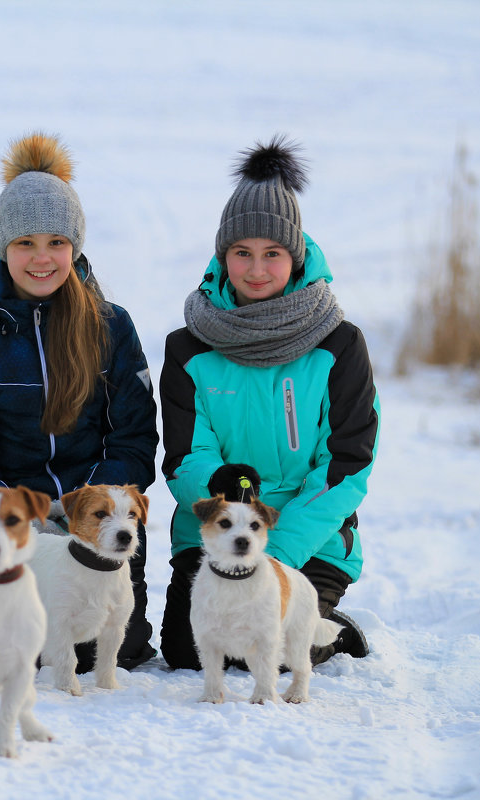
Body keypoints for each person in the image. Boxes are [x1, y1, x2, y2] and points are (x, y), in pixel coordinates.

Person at [0, 132, 159, 671]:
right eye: (24, 244)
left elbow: (135, 434)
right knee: (21, 651)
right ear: (1, 248)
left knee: (113, 653)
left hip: (97, 522)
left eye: (56, 242)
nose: (41, 258)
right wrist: (16, 515)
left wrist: (81, 511)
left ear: (75, 247)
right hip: (17, 522)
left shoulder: (111, 325)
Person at [160, 135, 378, 669]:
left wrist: (269, 554)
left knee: (275, 651)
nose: (257, 270)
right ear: (223, 256)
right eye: (242, 253)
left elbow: (346, 467)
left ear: (295, 255)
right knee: (189, 653)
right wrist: (227, 520)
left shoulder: (338, 344)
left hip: (306, 540)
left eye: (272, 254)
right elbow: (186, 459)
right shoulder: (188, 348)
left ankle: (328, 626)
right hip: (213, 536)